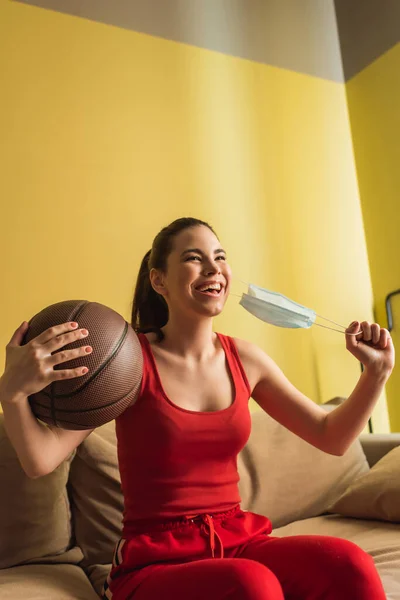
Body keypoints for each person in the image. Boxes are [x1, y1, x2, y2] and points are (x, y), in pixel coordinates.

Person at [0, 217, 394, 600]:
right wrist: (14, 394)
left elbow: (333, 437)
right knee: (251, 585)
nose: (213, 268)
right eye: (194, 257)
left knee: (348, 563)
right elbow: (41, 460)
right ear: (159, 281)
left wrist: (376, 373)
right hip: (155, 561)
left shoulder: (247, 359)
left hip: (238, 540)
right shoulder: (127, 362)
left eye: (220, 257)